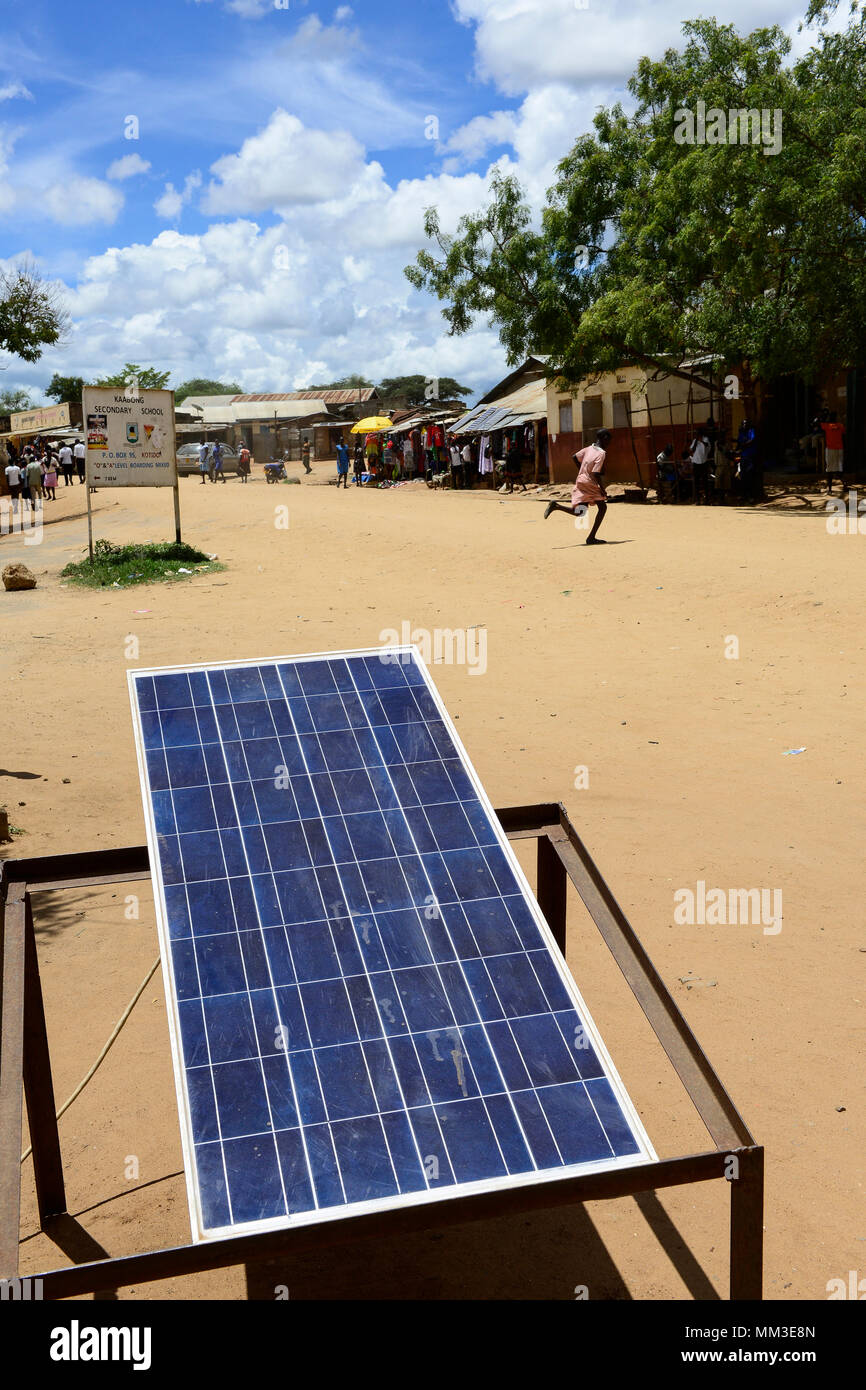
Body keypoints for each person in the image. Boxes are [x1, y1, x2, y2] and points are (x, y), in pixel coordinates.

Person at [544, 428, 611, 544]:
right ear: (605, 439)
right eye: (609, 441)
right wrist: (603, 489)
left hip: (581, 480)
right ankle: (591, 538)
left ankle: (556, 506)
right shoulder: (601, 453)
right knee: (603, 507)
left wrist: (581, 470)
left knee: (581, 512)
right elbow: (596, 473)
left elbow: (574, 457)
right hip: (590, 481)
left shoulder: (589, 448)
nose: (609, 444)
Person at [820, 412, 845, 494]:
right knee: (839, 468)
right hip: (839, 449)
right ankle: (845, 485)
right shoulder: (840, 426)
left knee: (830, 469)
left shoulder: (826, 426)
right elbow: (843, 433)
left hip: (830, 449)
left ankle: (830, 489)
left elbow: (819, 423)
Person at [689, 428, 712, 504]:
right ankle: (697, 500)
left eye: (698, 433)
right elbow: (692, 450)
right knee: (696, 482)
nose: (697, 435)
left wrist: (701, 440)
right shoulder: (695, 441)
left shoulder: (706, 439)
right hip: (696, 463)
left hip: (703, 463)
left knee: (705, 482)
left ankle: (707, 500)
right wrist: (696, 441)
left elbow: (707, 446)